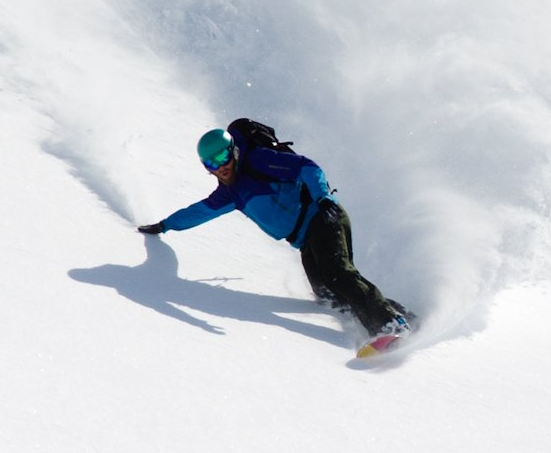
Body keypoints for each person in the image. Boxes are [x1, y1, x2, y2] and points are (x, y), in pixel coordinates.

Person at [137, 123, 412, 341]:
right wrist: (165, 225)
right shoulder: (229, 193)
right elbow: (199, 211)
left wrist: (324, 197)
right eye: (211, 164)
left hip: (324, 217)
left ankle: (389, 325)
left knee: (338, 273)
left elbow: (307, 167)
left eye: (222, 157)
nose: (220, 167)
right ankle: (402, 314)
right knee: (328, 294)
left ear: (233, 151)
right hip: (305, 240)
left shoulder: (258, 161)